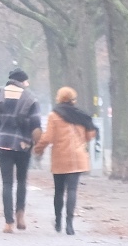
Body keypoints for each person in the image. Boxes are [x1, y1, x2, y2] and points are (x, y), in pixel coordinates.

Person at [34, 87, 99, 235]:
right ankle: (69, 225)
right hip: (78, 158)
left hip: (60, 157)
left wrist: (38, 149)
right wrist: (82, 141)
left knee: (59, 191)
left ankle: (58, 222)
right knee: (72, 190)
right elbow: (90, 134)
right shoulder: (80, 116)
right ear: (73, 100)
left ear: (59, 98)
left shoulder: (54, 115)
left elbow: (48, 137)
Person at [0, 69, 41, 233]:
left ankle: (8, 222)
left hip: (3, 144)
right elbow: (36, 127)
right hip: (23, 145)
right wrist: (36, 144)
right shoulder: (30, 98)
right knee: (22, 181)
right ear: (22, 82)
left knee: (7, 183)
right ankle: (20, 215)